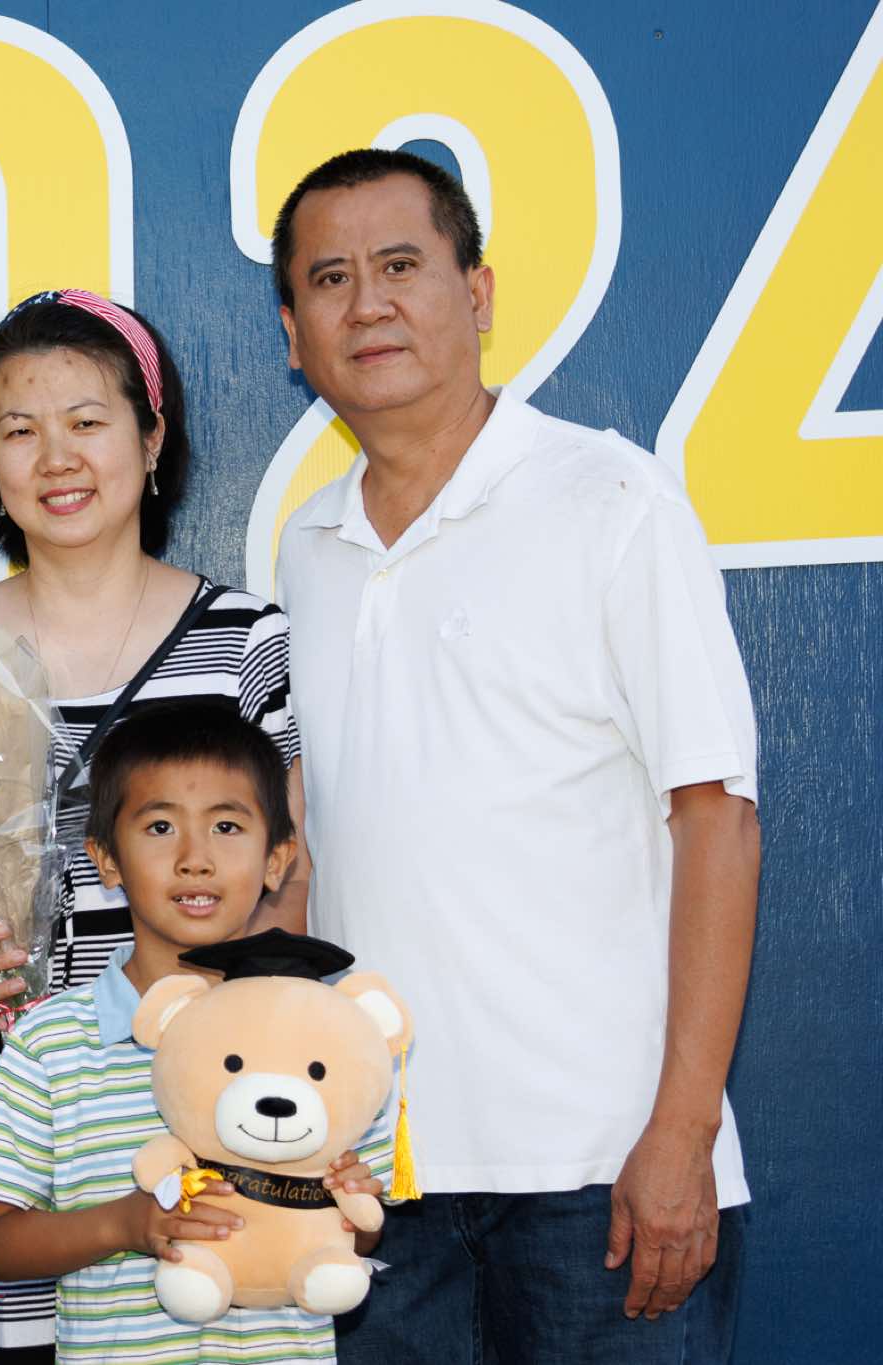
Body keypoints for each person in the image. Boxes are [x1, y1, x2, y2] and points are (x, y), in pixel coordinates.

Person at [268, 147, 759, 1362]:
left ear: (475, 293)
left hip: (600, 1177)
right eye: (329, 279)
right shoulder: (306, 550)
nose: (366, 304)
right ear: (290, 334)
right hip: (377, 1184)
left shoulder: (609, 501)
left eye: (400, 266)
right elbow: (314, 853)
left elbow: (716, 820)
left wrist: (680, 1133)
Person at [0, 290, 309, 1362]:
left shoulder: (244, 641)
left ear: (152, 437)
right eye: (18, 430)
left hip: (192, 1108)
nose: (55, 458)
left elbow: (288, 884)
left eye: (87, 421)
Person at [0, 701, 388, 1364]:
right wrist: (125, 1223)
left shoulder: (327, 1037)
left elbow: (360, 1240)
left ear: (277, 858)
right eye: (160, 826)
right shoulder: (53, 1041)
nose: (195, 858)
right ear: (107, 858)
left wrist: (353, 1206)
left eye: (227, 825)